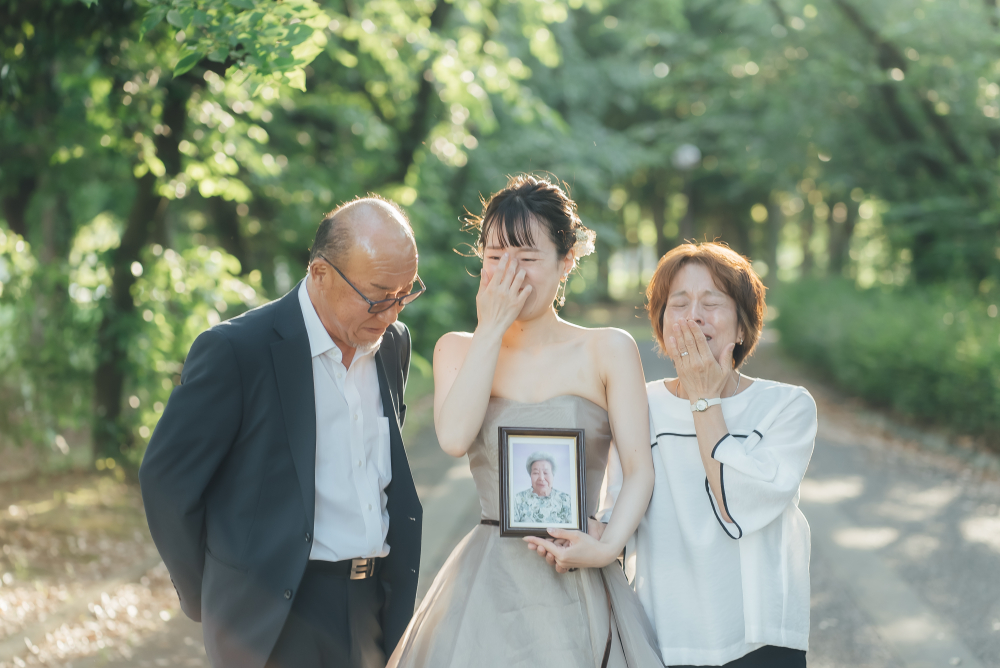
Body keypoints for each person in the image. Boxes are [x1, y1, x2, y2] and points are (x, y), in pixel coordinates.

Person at [386, 174, 662, 668]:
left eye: (528, 258)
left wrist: (605, 549)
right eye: (495, 257)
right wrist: (490, 329)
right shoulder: (458, 349)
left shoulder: (608, 348)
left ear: (566, 261)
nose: (509, 273)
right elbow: (453, 438)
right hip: (489, 581)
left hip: (579, 570)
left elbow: (640, 470)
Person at [139, 197, 425, 668]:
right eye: (378, 296)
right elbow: (167, 482)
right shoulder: (236, 351)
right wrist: (209, 597)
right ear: (320, 273)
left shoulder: (392, 344)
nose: (392, 313)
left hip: (373, 611)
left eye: (405, 294)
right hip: (275, 621)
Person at [541, 242, 816, 667]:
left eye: (712, 303)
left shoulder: (787, 406)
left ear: (742, 328)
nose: (694, 316)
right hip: (665, 635)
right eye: (679, 304)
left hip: (760, 638)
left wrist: (704, 399)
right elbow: (620, 518)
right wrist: (578, 531)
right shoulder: (639, 405)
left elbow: (739, 505)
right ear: (662, 326)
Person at [512, 452, 573, 524]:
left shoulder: (567, 500)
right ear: (530, 475)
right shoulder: (517, 500)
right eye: (536, 473)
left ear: (553, 475)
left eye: (546, 473)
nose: (541, 478)